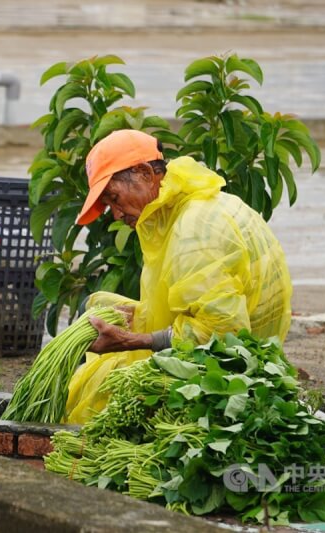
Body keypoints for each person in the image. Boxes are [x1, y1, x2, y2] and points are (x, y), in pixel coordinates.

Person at [64, 129, 292, 423]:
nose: (117, 214)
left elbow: (222, 335)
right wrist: (138, 317)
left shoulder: (195, 229)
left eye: (115, 198)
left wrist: (132, 340)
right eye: (109, 205)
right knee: (101, 313)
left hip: (231, 379)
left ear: (145, 173)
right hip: (247, 362)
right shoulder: (187, 209)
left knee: (102, 398)